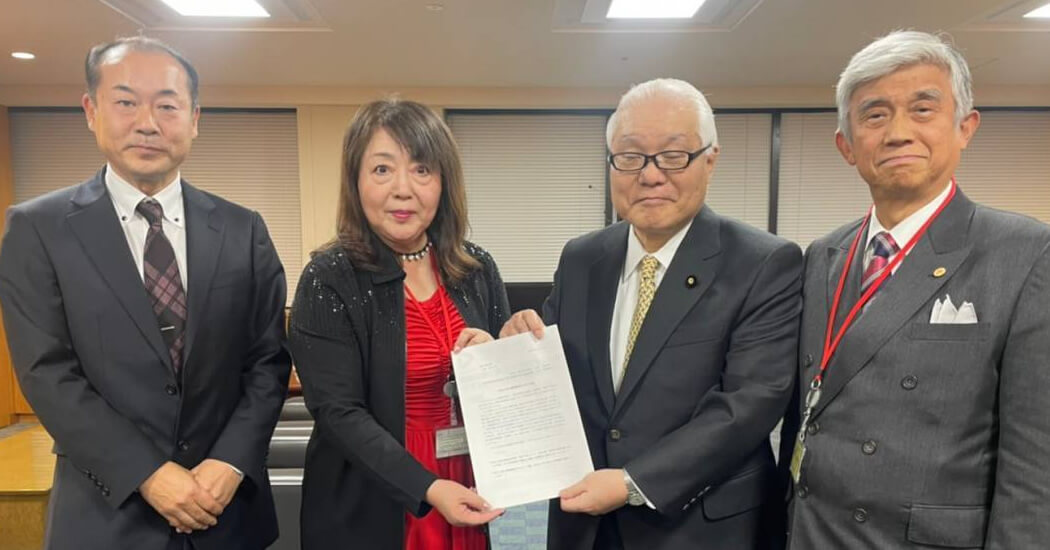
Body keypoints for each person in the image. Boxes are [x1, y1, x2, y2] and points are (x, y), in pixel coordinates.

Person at [0, 37, 291, 550]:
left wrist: (228, 462)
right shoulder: (37, 229)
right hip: (106, 516)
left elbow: (267, 362)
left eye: (167, 105)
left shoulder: (244, 230)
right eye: (126, 102)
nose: (148, 122)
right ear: (91, 111)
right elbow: (47, 372)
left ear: (194, 118)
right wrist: (150, 474)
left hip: (227, 512)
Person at [501, 78, 802, 550]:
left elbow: (749, 405)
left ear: (710, 159)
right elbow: (558, 380)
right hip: (585, 526)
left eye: (673, 155)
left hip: (699, 527)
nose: (651, 174)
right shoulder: (581, 258)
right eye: (631, 156)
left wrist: (630, 482)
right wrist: (514, 349)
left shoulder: (763, 262)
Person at [780, 30, 1050, 549]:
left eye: (923, 109)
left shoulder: (1025, 254)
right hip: (811, 534)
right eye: (874, 115)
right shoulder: (823, 255)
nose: (898, 132)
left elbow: (1035, 467)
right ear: (846, 145)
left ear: (965, 127)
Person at [288, 98, 510, 550]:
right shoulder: (329, 277)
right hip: (378, 492)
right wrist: (427, 488)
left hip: (470, 482)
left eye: (422, 169)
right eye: (382, 170)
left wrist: (503, 348)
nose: (403, 189)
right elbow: (339, 413)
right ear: (356, 181)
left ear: (444, 183)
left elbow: (506, 393)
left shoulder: (476, 268)